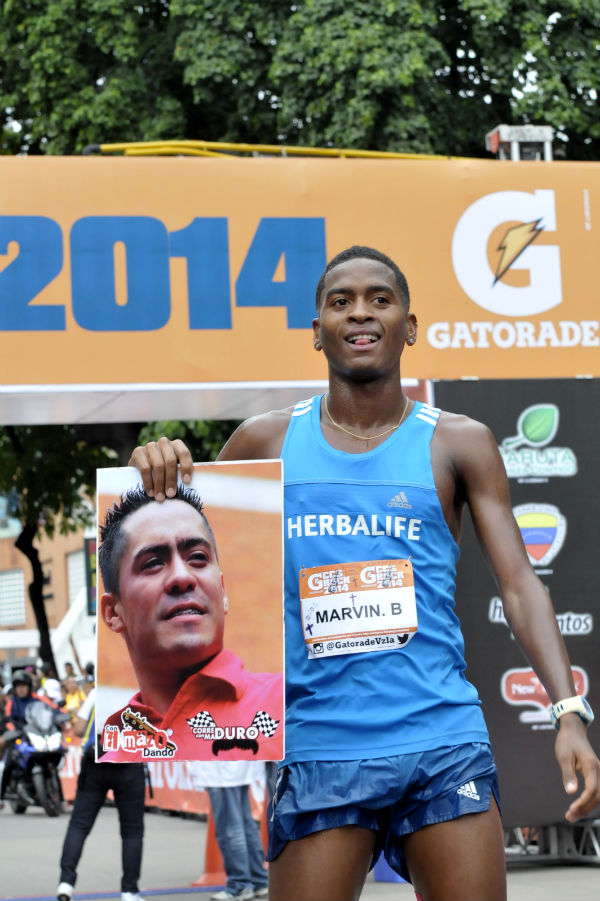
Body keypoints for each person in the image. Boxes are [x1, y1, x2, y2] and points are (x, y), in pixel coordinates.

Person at [129, 246, 600, 901]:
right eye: (339, 300)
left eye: (380, 298)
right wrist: (160, 473)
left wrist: (569, 712)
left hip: (441, 739)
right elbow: (190, 559)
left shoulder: (458, 441)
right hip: (320, 742)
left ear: (409, 325)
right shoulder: (264, 442)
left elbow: (520, 584)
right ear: (314, 331)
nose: (360, 312)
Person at [98, 486, 283, 762]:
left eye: (197, 557)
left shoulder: (289, 703)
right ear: (113, 612)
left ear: (223, 593)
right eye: (152, 563)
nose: (182, 577)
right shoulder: (113, 757)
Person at [56, 687, 146, 901]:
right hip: (129, 761)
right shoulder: (140, 691)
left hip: (96, 758)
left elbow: (78, 729)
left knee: (79, 825)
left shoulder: (98, 691)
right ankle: (129, 890)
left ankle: (66, 883)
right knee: (132, 831)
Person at [191, 760, 269, 901]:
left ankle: (240, 885)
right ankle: (258, 880)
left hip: (220, 768)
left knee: (231, 830)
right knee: (245, 826)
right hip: (236, 763)